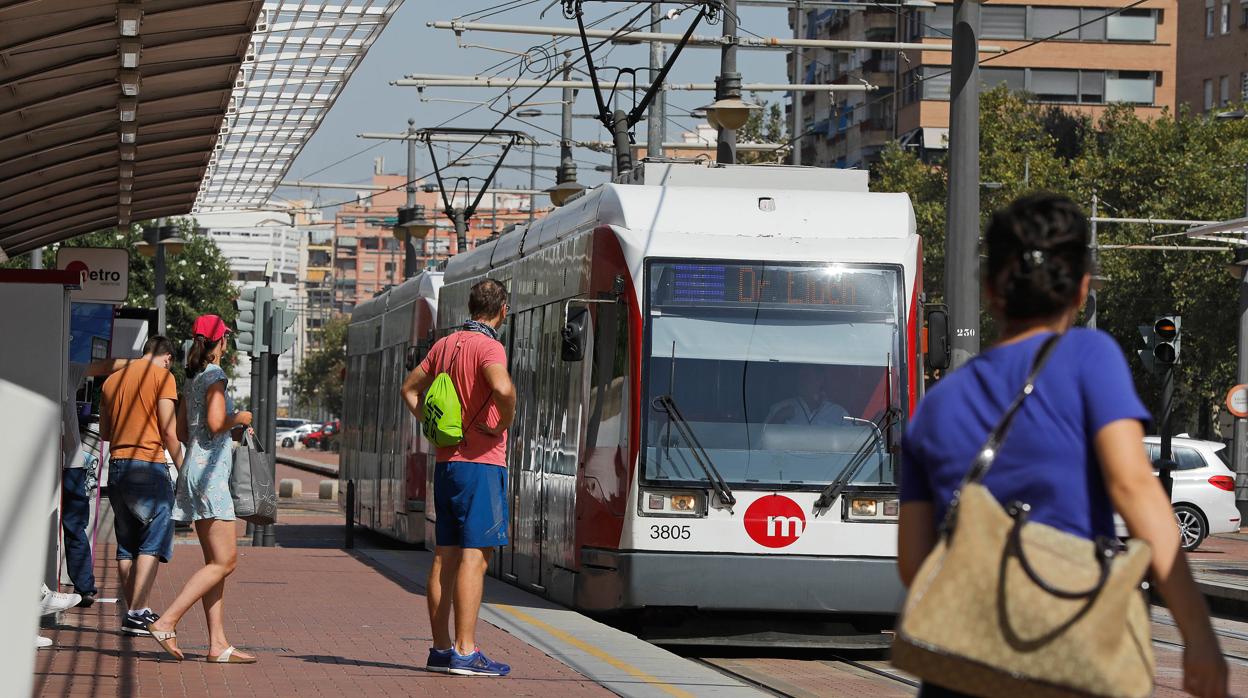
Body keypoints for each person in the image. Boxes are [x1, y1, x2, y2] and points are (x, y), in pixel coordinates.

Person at [897, 194, 1227, 698]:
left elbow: (913, 560)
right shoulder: (1088, 357)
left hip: (960, 672)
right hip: (1066, 656)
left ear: (989, 290)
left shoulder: (936, 407)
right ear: (1082, 289)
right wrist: (1197, 633)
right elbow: (1134, 488)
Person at [401, 278, 516, 677]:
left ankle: (440, 648)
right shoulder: (490, 346)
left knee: (444, 557)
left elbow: (409, 389)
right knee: (474, 559)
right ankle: (466, 652)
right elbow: (502, 387)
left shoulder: (445, 344)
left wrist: (435, 428)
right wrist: (504, 420)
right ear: (502, 309)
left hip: (446, 464)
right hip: (481, 464)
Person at [148, 315, 254, 663]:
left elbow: (181, 431)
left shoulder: (192, 378)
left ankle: (218, 644)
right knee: (227, 561)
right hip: (210, 476)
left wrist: (217, 431)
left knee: (215, 563)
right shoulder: (216, 377)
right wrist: (239, 419)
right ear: (220, 341)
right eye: (226, 339)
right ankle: (167, 620)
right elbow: (214, 422)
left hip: (194, 470)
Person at [99, 336, 180, 637]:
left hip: (117, 466)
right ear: (167, 357)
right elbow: (168, 431)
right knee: (153, 539)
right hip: (148, 465)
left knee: (127, 545)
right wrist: (184, 470)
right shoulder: (163, 377)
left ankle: (135, 611)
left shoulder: (112, 381)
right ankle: (135, 612)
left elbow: (106, 431)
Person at [62, 356, 140, 608]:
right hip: (70, 459)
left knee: (74, 523)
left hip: (68, 460)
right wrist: (142, 362)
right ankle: (84, 587)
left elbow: (108, 365)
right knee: (75, 524)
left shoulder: (67, 368)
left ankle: (83, 586)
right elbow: (107, 365)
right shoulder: (68, 368)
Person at [764, 364, 848, 426]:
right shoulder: (779, 408)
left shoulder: (839, 413)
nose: (802, 381)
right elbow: (759, 444)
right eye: (800, 376)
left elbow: (852, 444)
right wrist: (779, 418)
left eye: (807, 376)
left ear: (820, 379)